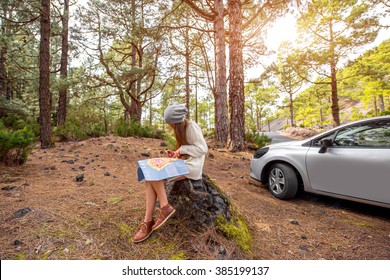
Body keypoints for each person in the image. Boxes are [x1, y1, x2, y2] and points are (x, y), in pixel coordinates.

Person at [133, 103, 208, 243]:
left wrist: (182, 149)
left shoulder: (192, 126)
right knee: (149, 176)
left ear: (177, 121)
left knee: (154, 172)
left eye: (171, 125)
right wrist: (176, 153)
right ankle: (148, 221)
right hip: (185, 163)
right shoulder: (182, 128)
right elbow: (186, 150)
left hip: (192, 167)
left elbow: (203, 149)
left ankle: (165, 207)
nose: (170, 127)